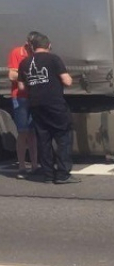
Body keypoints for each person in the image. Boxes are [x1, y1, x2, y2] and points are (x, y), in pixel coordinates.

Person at [18, 32, 80, 184]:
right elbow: (67, 81)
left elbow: (21, 86)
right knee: (63, 137)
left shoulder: (24, 62)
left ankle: (48, 175)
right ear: (49, 45)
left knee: (43, 139)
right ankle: (63, 174)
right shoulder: (54, 59)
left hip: (36, 105)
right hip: (54, 103)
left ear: (32, 47)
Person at [6, 32, 38, 178]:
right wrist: (27, 74)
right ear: (27, 44)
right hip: (19, 97)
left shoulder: (36, 54)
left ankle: (35, 165)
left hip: (34, 96)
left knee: (33, 133)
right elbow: (11, 75)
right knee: (23, 132)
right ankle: (22, 166)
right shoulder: (16, 52)